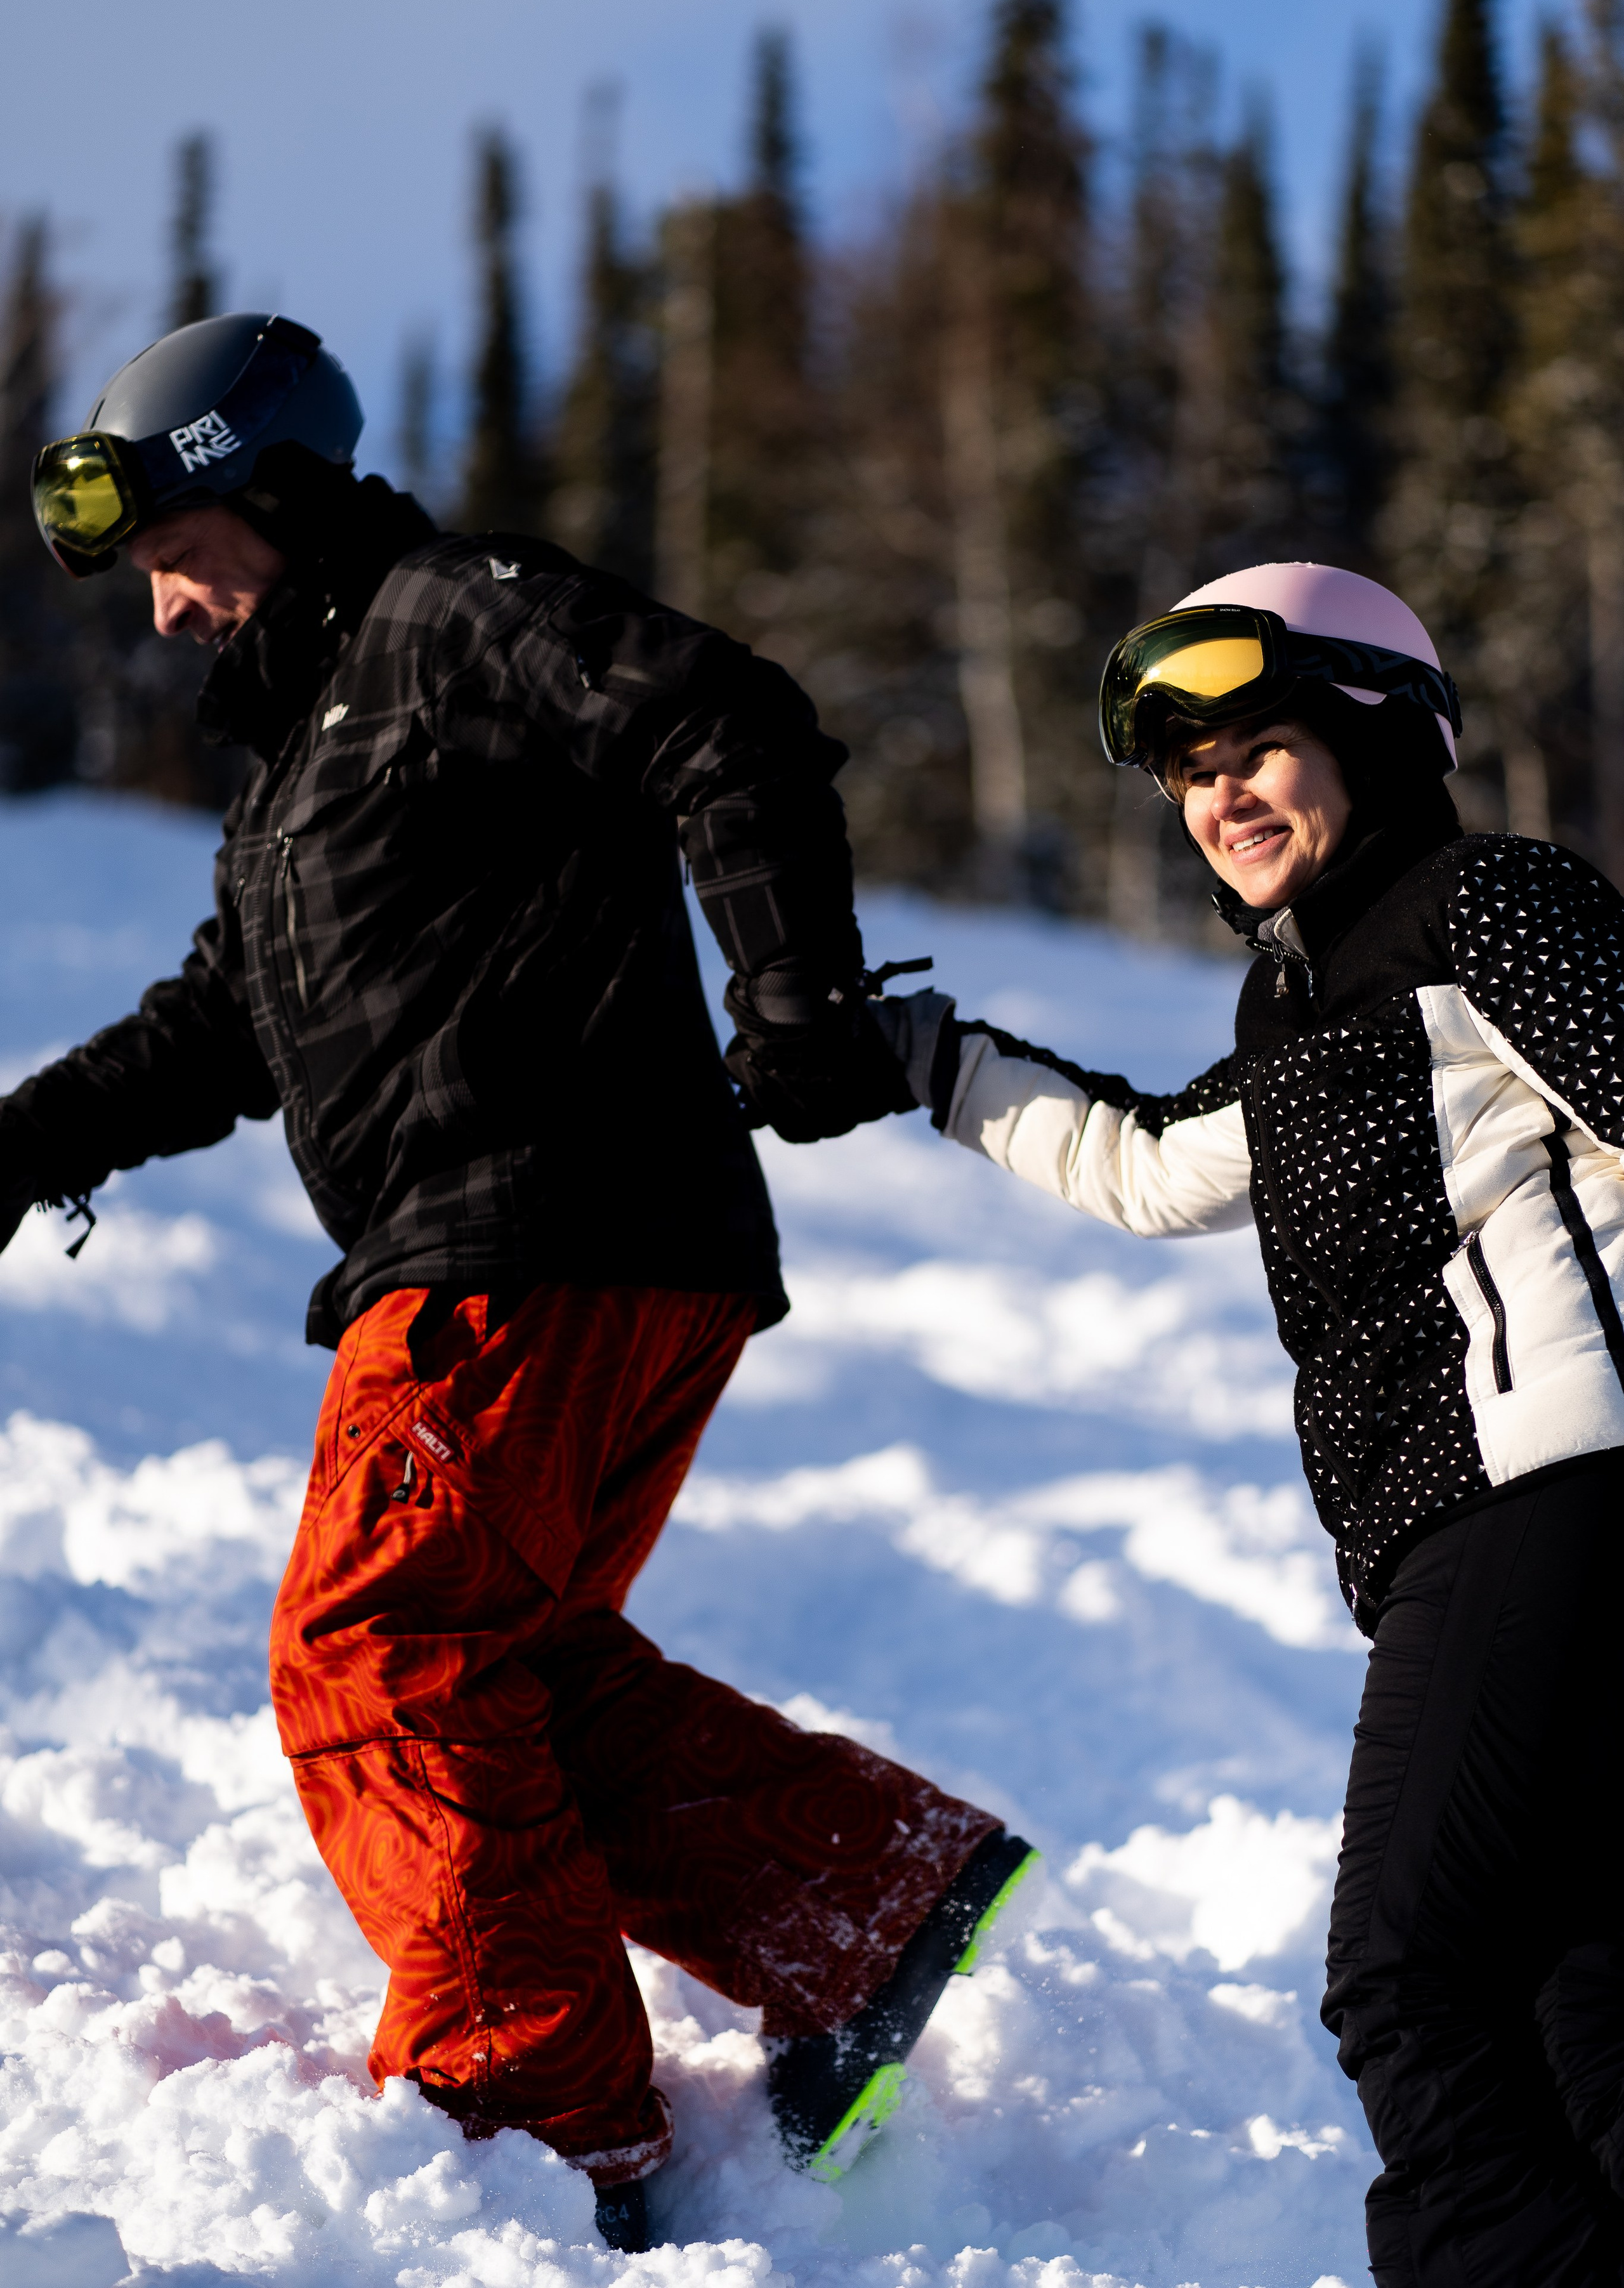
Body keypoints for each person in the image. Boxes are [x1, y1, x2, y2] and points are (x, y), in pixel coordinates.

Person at [1, 313, 1037, 2250]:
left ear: (268, 484)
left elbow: (717, 714)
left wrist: (798, 990)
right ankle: (863, 1897)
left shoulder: (446, 615)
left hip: (527, 1239)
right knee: (509, 1658)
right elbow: (221, 1027)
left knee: (379, 1650)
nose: (159, 614)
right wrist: (16, 1143)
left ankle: (536, 2114)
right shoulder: (302, 772)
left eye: (171, 552)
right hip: (589, 1257)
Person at [874, 559, 1624, 2287]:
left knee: (1409, 1977)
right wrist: (927, 1063)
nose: (1218, 796)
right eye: (1188, 774)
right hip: (1502, 1518)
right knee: (1577, 1996)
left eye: (1258, 747)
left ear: (1374, 731)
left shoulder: (1482, 906)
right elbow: (1152, 1162)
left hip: (1551, 1488)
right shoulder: (1303, 1003)